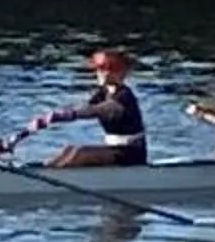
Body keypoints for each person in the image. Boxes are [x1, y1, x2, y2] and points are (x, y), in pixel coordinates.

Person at [22, 48, 150, 168]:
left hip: (131, 155)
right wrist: (49, 117)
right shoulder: (103, 93)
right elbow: (83, 107)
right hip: (114, 149)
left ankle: (50, 179)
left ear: (120, 73)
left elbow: (97, 110)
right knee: (68, 149)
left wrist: (62, 115)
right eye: (99, 69)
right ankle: (42, 170)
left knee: (81, 153)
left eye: (106, 69)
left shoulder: (124, 97)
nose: (101, 74)